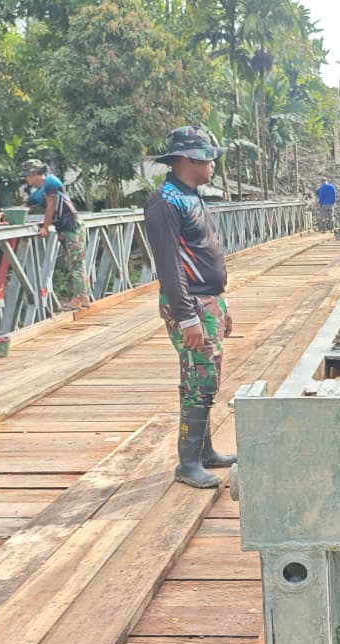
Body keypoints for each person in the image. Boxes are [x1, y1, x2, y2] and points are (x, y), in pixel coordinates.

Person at [142, 126, 238, 488]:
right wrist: (186, 317)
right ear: (185, 159)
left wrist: (221, 305)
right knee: (199, 378)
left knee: (206, 377)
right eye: (206, 156)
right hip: (190, 303)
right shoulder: (165, 200)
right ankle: (187, 463)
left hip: (208, 299)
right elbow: (169, 265)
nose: (212, 162)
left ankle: (204, 452)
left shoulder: (191, 195)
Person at [20, 159, 90, 310]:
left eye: (27, 176)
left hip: (72, 226)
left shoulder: (51, 181)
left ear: (34, 174)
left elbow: (51, 205)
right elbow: (25, 206)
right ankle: (83, 297)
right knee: (75, 262)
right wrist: (1, 215)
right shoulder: (38, 192)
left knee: (76, 263)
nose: (26, 179)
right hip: (64, 228)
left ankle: (77, 299)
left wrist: (45, 227)